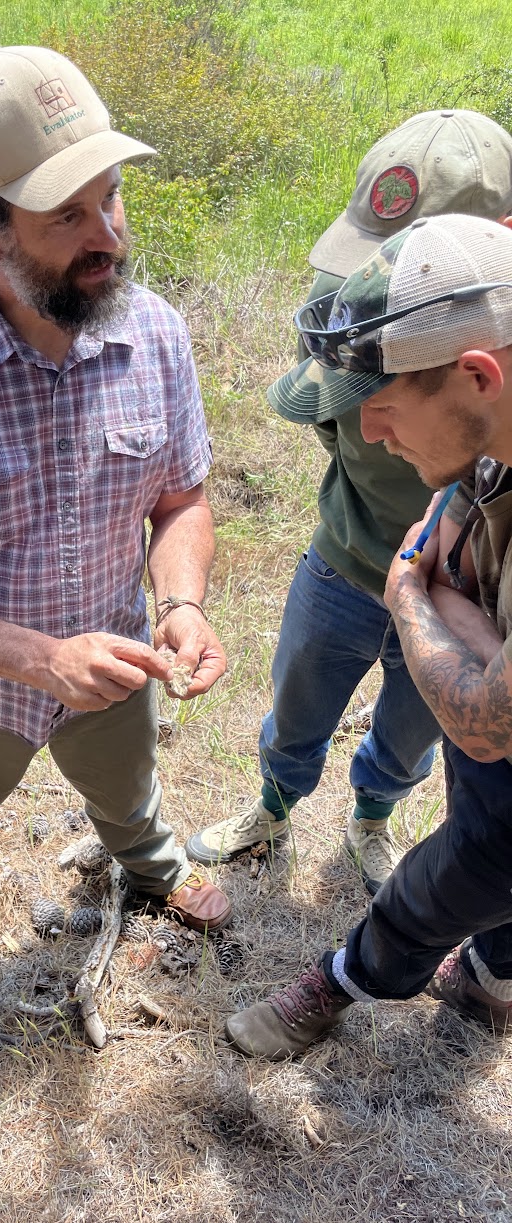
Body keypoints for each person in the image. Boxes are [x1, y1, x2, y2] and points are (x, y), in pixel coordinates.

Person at [0, 44, 231, 936]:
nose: (107, 234)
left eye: (111, 196)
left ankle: (150, 867)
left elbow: (180, 500)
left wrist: (179, 601)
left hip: (120, 666)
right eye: (66, 215)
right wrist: (41, 658)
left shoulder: (158, 335)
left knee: (129, 790)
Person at [186, 110, 512, 895]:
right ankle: (272, 802)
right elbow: (323, 415)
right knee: (301, 686)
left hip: (448, 588)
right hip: (347, 552)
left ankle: (372, 814)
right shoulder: (344, 296)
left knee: (409, 726)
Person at [225, 211, 512, 1059]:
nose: (372, 437)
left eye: (383, 409)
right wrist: (465, 620)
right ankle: (494, 978)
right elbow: (453, 520)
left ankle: (345, 976)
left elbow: (485, 720)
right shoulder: (491, 419)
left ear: (476, 375)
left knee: (471, 865)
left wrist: (410, 595)